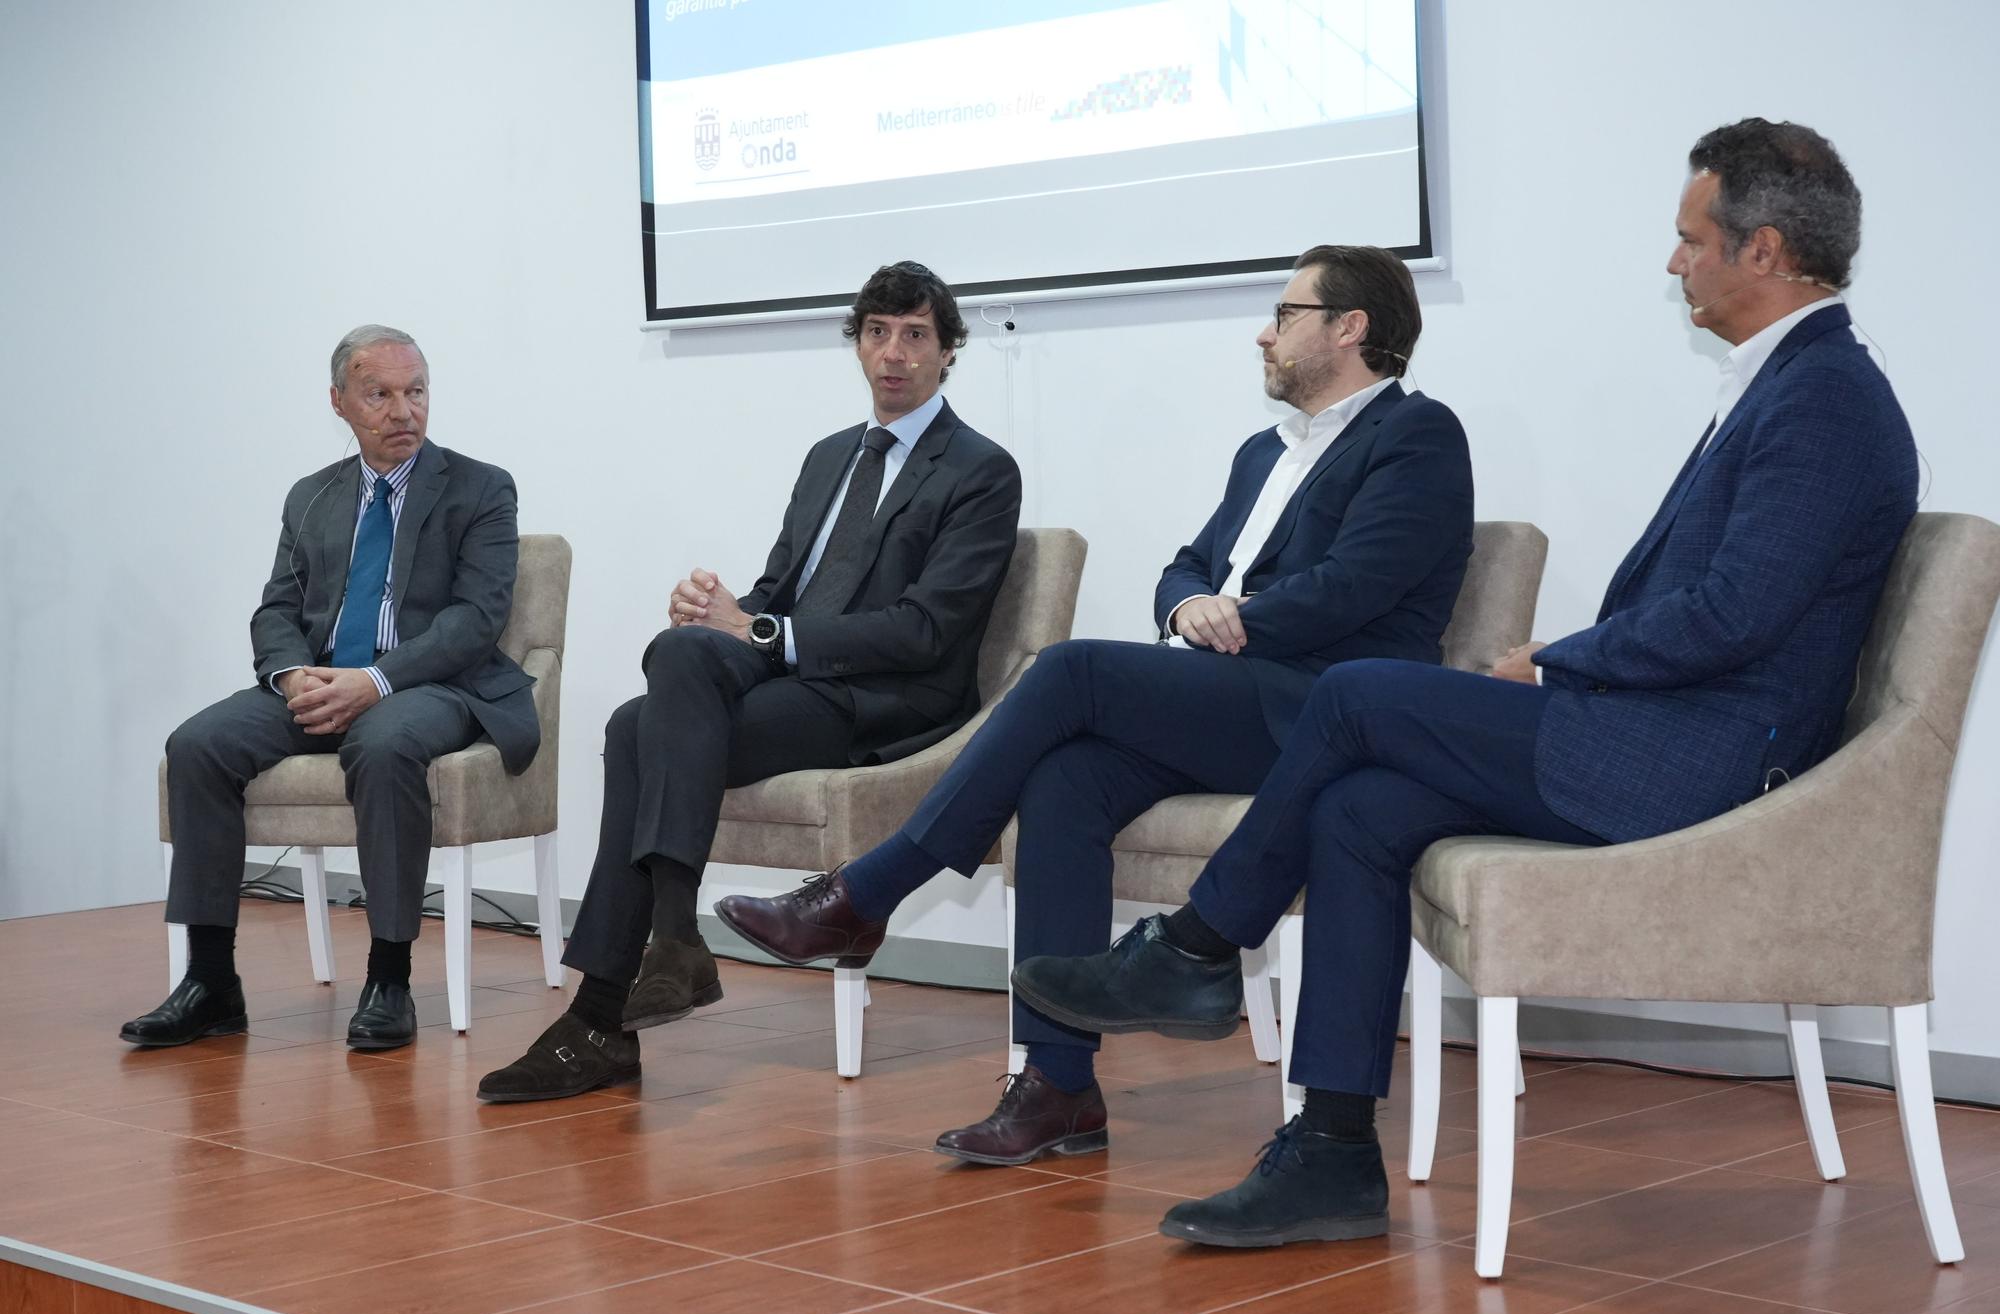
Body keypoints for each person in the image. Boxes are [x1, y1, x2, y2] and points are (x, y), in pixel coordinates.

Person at [1008, 118, 1917, 1248]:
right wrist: (1570, 667)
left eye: (1689, 240)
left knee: (1357, 692)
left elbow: (1733, 615)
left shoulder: (1821, 395)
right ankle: (1331, 1152)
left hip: (1698, 763)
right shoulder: (1784, 384)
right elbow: (1711, 605)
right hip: (1653, 731)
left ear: (1763, 249)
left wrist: (1555, 659)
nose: (1671, 261)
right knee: (1356, 807)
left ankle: (1195, 950)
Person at [716, 245, 1475, 1165]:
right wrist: (1188, 603)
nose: (1265, 332)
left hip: (1323, 706)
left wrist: (1235, 616)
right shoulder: (1261, 451)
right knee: (1066, 778)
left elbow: (1357, 587)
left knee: (1072, 671)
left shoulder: (1418, 436)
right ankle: (1058, 1085)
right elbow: (1185, 564)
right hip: (1233, 691)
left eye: (1286, 313)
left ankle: (866, 890)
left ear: (1349, 328)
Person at [478, 261, 1022, 1102]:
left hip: (887, 701)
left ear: (949, 353)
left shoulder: (981, 470)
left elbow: (926, 631)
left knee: (638, 724)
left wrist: (760, 630)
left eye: (916, 335)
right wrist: (721, 610)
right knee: (664, 678)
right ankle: (654, 963)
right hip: (801, 680)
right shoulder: (829, 458)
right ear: (858, 344)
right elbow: (782, 592)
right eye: (877, 332)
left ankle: (612, 1002)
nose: (894, 353)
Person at [126, 326, 537, 1052]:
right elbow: (277, 609)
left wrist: (373, 681)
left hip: (432, 683)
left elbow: (475, 621)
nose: (403, 410)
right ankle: (212, 980)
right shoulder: (312, 496)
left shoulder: (480, 487)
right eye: (379, 394)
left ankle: (389, 977)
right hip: (318, 680)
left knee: (382, 745)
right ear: (339, 402)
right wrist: (293, 676)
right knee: (197, 745)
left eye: (415, 391)